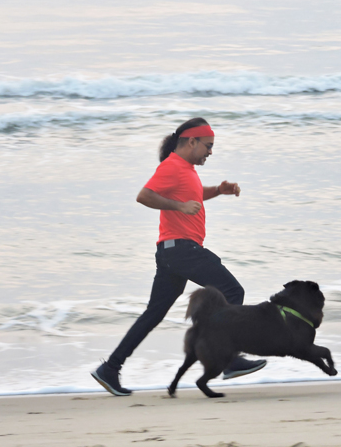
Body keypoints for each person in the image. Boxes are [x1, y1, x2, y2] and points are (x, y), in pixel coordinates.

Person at [91, 117, 266, 396]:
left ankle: (110, 368)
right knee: (233, 291)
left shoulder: (186, 169)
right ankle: (229, 359)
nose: (211, 152)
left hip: (172, 253)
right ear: (192, 141)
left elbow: (193, 195)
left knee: (154, 314)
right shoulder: (172, 166)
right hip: (182, 250)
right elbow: (144, 196)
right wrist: (179, 207)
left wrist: (218, 191)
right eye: (208, 146)